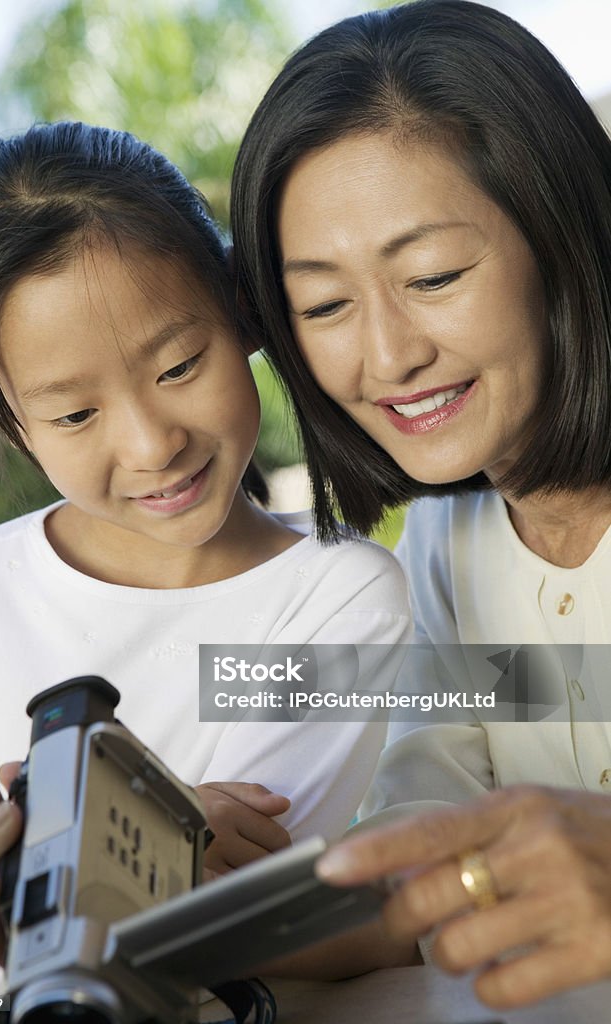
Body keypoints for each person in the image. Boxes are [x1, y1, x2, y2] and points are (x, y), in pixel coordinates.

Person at [0, 120, 412, 994]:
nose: (151, 443)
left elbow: (233, 911)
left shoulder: (340, 598)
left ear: (241, 318)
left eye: (180, 364)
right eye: (75, 415)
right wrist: (141, 846)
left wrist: (35, 870)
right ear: (13, 423)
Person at [230, 0, 611, 1008]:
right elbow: (431, 839)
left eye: (432, 275)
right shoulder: (447, 538)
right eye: (323, 305)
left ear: (561, 237)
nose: (389, 355)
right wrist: (190, 900)